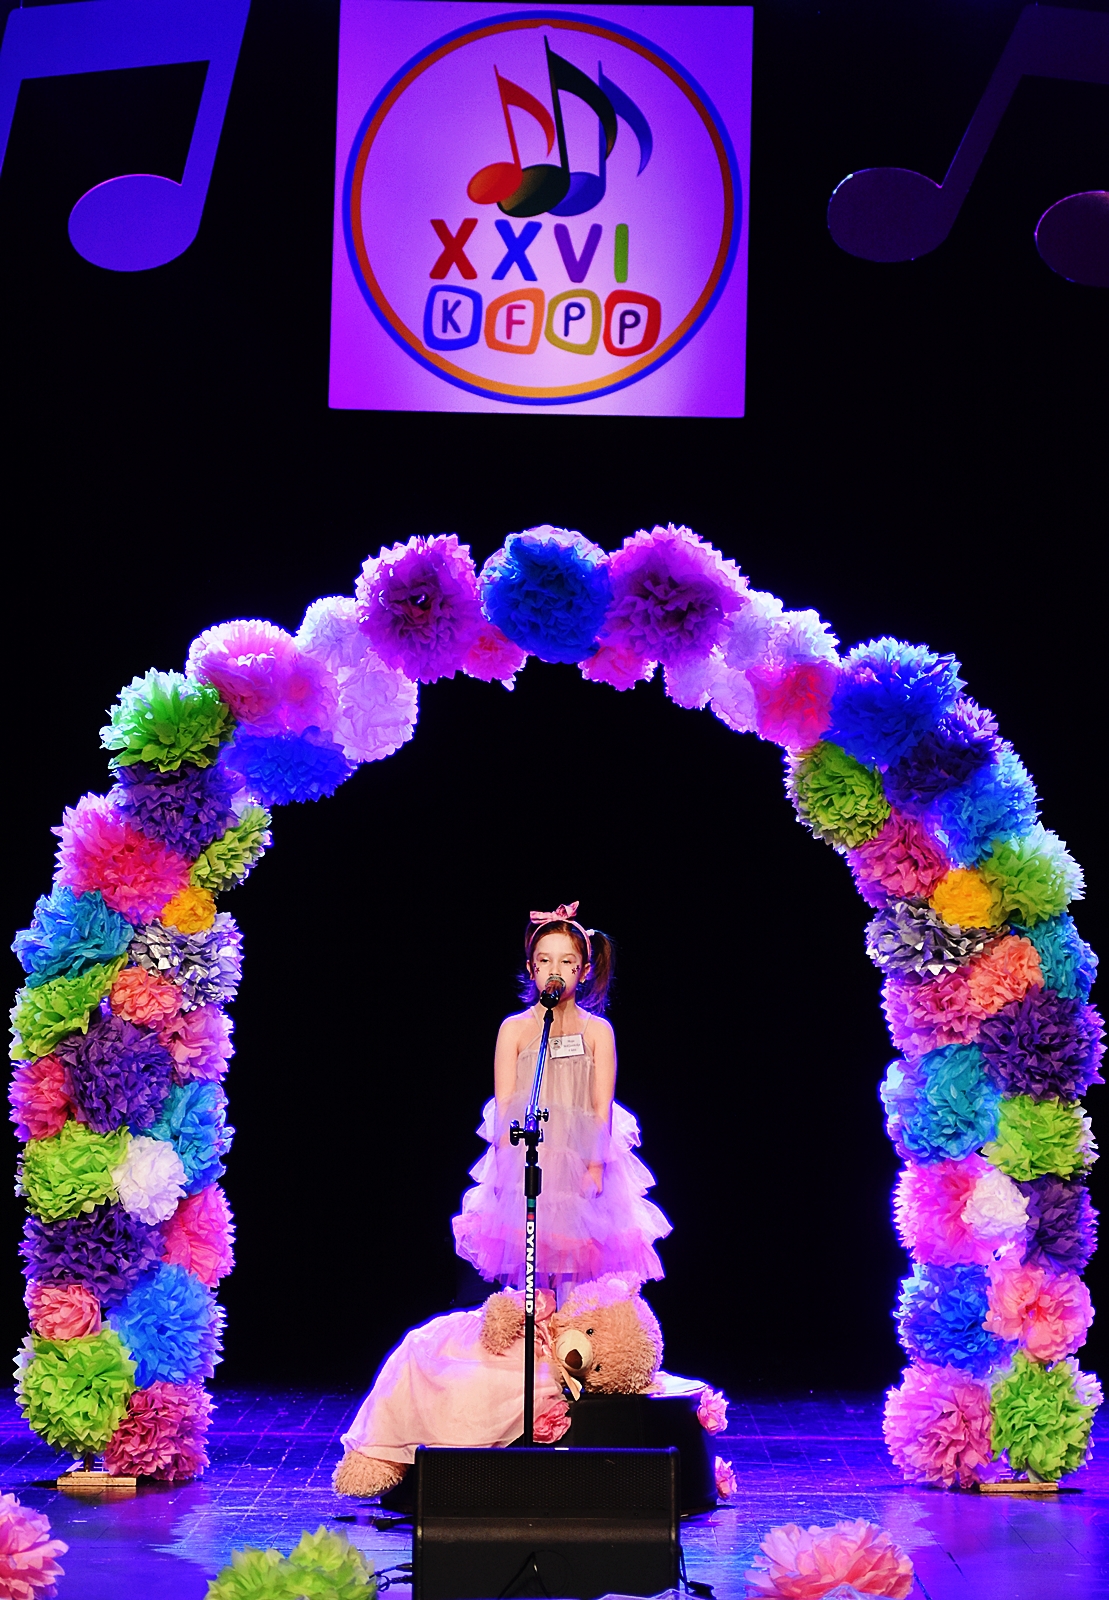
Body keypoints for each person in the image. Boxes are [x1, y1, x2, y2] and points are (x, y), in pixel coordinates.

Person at [451, 903, 671, 1300]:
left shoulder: (597, 1031)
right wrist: (502, 1170)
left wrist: (595, 1167)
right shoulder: (515, 1029)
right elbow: (505, 1107)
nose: (555, 968)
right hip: (530, 1163)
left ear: (583, 971)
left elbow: (601, 1107)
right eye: (545, 960)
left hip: (579, 1164)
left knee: (574, 1276)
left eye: (567, 961)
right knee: (530, 1280)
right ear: (531, 968)